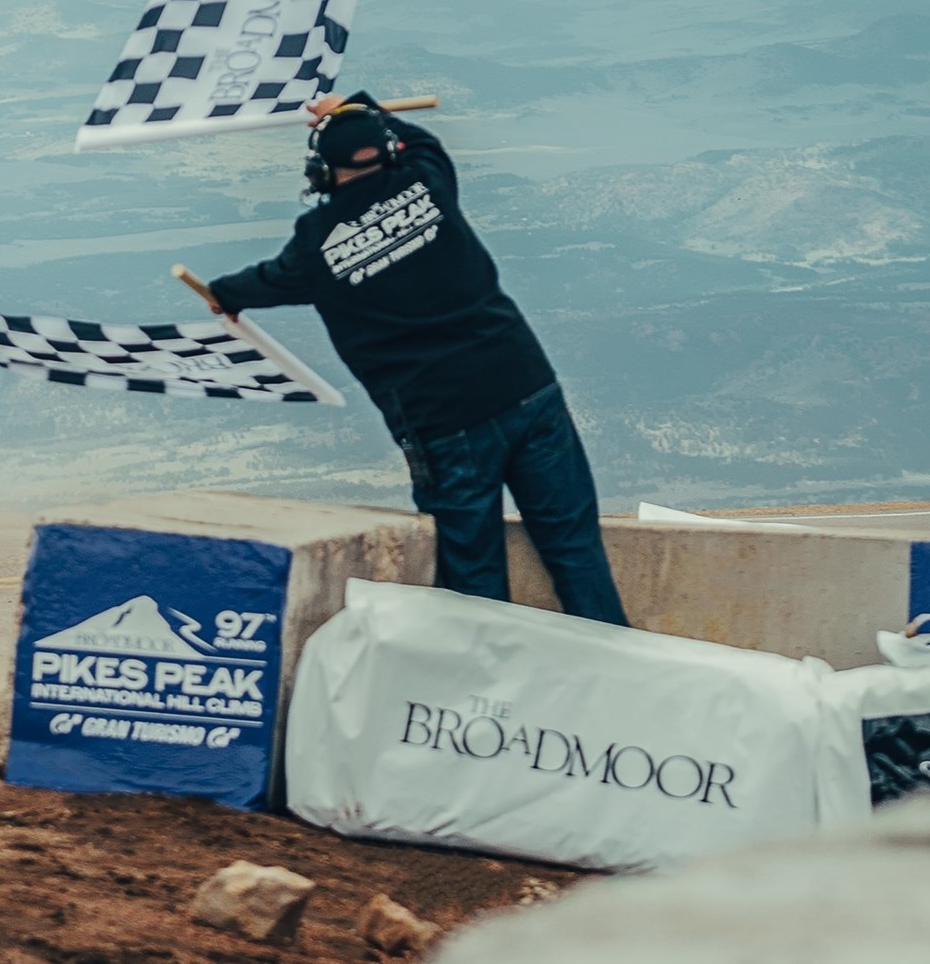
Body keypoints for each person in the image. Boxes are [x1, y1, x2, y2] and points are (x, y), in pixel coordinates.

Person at [200, 92, 627, 625]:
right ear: (390, 149)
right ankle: (617, 664)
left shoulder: (316, 244)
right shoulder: (427, 180)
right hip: (526, 385)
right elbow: (421, 140)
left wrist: (222, 292)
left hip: (446, 423)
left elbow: (263, 282)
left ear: (321, 171)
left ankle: (492, 690)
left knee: (474, 577)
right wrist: (355, 104)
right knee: (574, 548)